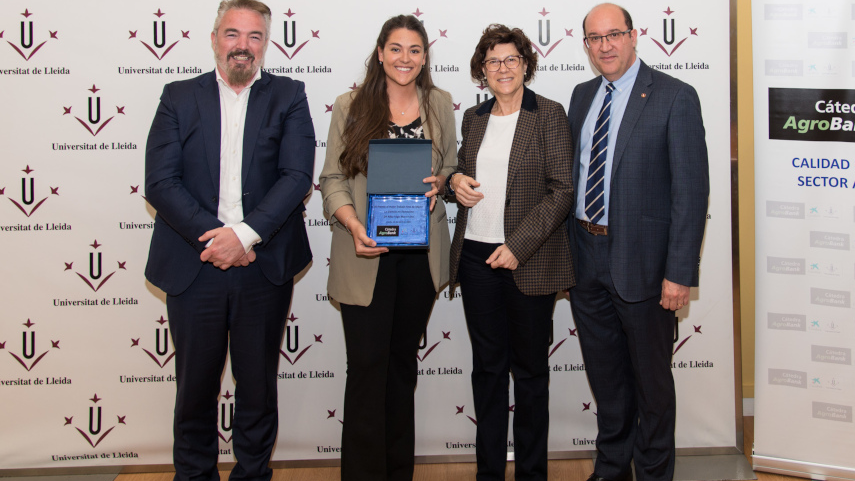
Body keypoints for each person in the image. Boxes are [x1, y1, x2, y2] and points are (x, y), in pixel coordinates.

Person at [144, 0, 315, 479]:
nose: (243, 46)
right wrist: (218, 240)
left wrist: (243, 236)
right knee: (194, 389)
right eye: (233, 34)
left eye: (255, 36)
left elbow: (297, 175)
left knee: (257, 388)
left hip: (262, 266)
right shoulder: (177, 96)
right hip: (193, 265)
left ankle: (252, 474)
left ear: (266, 43)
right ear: (216, 38)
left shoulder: (289, 95)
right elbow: (160, 181)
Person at [565, 4, 710, 481]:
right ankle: (610, 470)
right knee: (608, 384)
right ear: (585, 45)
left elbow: (691, 193)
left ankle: (652, 476)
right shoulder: (582, 96)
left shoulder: (674, 96)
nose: (605, 45)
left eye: (614, 35)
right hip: (586, 260)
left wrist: (679, 272)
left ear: (633, 36)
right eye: (594, 38)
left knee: (651, 387)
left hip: (645, 267)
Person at [318, 14, 457, 481]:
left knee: (401, 368)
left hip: (419, 261)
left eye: (414, 50)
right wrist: (354, 224)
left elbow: (450, 169)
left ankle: (398, 472)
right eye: (396, 49)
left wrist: (441, 182)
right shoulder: (350, 105)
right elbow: (332, 179)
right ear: (380, 53)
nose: (405, 58)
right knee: (366, 369)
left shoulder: (438, 104)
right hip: (364, 255)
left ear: (424, 57)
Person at [446, 24, 574, 481]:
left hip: (529, 261)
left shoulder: (550, 115)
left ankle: (532, 474)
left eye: (511, 59)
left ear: (526, 65)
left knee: (531, 374)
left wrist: (517, 248)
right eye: (493, 61)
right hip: (477, 259)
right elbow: (461, 174)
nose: (503, 68)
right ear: (483, 70)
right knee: (488, 372)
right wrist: (453, 182)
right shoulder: (474, 119)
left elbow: (562, 191)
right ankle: (488, 474)